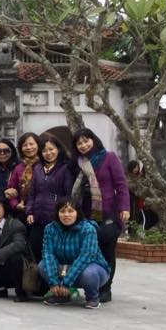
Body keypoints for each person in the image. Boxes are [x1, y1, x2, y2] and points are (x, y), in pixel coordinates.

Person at [70, 127, 128, 303]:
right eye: (79, 143)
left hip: (108, 213)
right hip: (85, 214)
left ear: (93, 140)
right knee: (88, 252)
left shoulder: (109, 157)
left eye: (86, 140)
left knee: (107, 252)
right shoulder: (77, 163)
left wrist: (124, 207)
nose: (83, 145)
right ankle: (92, 285)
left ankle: (106, 289)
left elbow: (121, 184)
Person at [40, 199, 111, 309]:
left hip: (91, 268)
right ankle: (61, 295)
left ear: (78, 213)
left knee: (88, 273)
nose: (66, 215)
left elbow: (85, 257)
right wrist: (53, 282)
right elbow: (48, 254)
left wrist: (66, 283)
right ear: (57, 213)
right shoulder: (50, 228)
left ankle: (92, 298)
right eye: (62, 211)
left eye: (70, 211)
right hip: (65, 268)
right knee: (42, 265)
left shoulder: (88, 229)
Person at [25, 133, 73, 262]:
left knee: (52, 255)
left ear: (58, 149)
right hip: (37, 220)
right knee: (34, 253)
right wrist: (29, 211)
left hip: (55, 221)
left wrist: (63, 215)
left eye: (51, 149)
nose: (48, 153)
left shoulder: (65, 168)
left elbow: (68, 195)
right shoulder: (38, 168)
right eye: (44, 150)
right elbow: (32, 193)